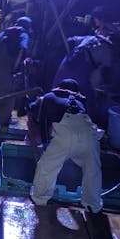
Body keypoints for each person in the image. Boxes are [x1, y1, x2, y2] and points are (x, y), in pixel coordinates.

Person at [30, 78, 104, 214]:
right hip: (90, 135)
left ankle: (40, 199)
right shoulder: (81, 101)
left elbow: (44, 121)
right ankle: (92, 205)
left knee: (47, 166)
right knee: (92, 170)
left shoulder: (49, 97)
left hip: (66, 133)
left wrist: (46, 144)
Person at [0, 16, 32, 132]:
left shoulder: (5, 32)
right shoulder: (23, 34)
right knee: (8, 98)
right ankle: (2, 127)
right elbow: (22, 49)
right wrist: (15, 67)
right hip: (5, 69)